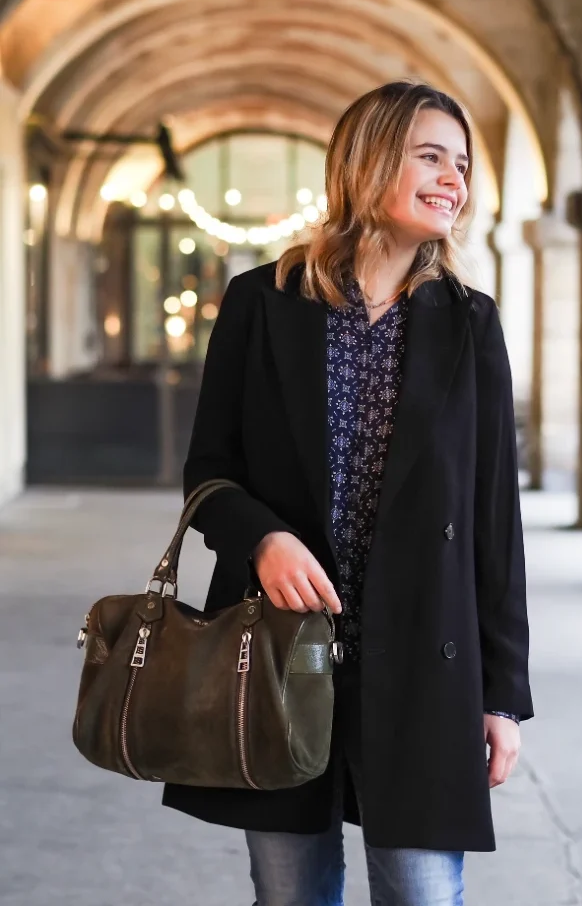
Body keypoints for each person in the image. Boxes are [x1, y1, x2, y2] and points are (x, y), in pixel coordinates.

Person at [163, 80, 534, 906]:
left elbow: (493, 523)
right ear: (368, 163)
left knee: (422, 893)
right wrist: (263, 538)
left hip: (422, 662)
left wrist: (504, 696)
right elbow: (209, 472)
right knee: (290, 896)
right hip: (285, 652)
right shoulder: (262, 303)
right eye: (430, 156)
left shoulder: (471, 325)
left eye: (463, 165)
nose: (454, 180)